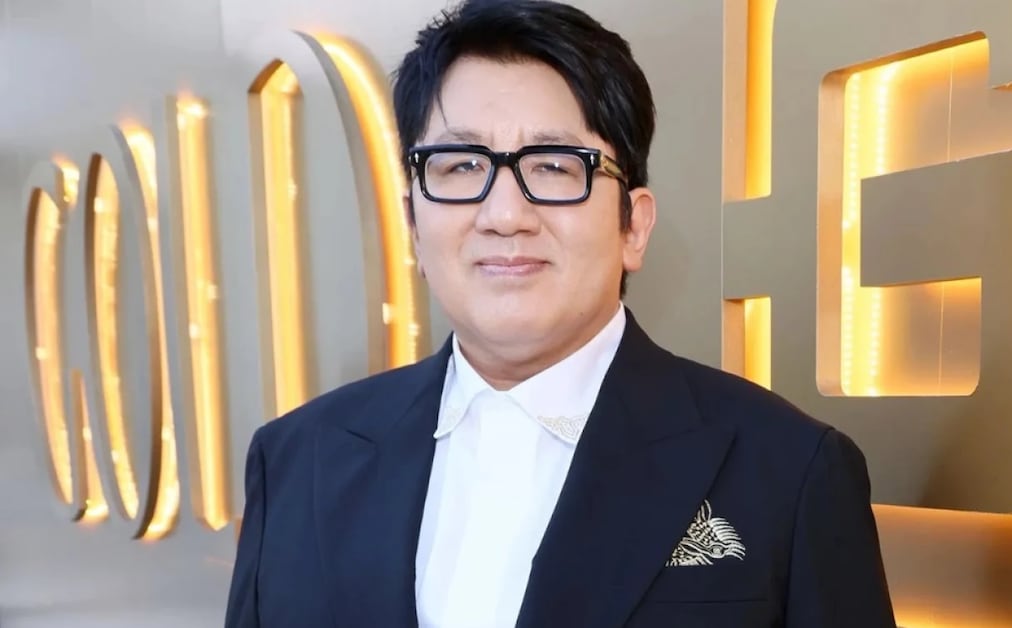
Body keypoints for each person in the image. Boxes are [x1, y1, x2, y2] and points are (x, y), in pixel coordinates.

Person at [224, 0, 896, 626]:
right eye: (460, 166)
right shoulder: (296, 463)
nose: (504, 215)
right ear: (413, 226)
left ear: (634, 225)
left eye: (552, 166)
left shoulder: (790, 471)